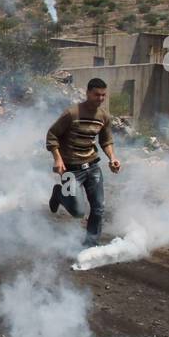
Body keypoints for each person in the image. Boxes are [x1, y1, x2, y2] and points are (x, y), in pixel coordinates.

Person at [45, 77, 122, 247]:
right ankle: (59, 193)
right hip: (71, 170)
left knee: (98, 208)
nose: (100, 99)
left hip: (93, 167)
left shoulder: (103, 117)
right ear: (88, 93)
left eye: (103, 95)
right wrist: (57, 158)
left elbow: (106, 141)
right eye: (97, 95)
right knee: (78, 211)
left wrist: (112, 158)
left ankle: (90, 244)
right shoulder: (71, 114)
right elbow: (52, 135)